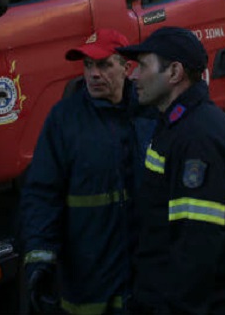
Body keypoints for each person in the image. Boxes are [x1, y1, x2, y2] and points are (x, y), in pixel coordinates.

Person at [20, 28, 157, 314]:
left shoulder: (149, 113)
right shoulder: (64, 119)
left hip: (145, 276)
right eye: (88, 65)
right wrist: (40, 260)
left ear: (126, 68)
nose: (94, 74)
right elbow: (42, 193)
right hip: (89, 276)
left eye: (104, 64)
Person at [117, 26, 225, 314]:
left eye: (142, 65)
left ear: (174, 73)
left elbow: (196, 250)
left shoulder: (197, 140)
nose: (133, 75)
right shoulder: (178, 124)